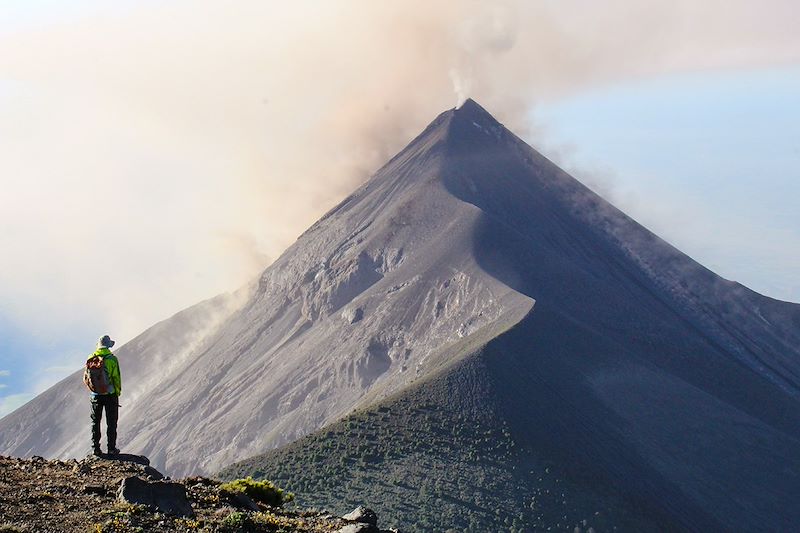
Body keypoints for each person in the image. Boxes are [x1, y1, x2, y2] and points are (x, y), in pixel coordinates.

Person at [88, 335, 122, 456]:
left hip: (95, 395)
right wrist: (117, 392)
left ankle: (95, 448)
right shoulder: (112, 359)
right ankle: (111, 449)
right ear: (108, 346)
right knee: (111, 422)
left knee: (95, 421)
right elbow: (116, 378)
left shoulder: (91, 358)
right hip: (110, 395)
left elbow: (87, 378)